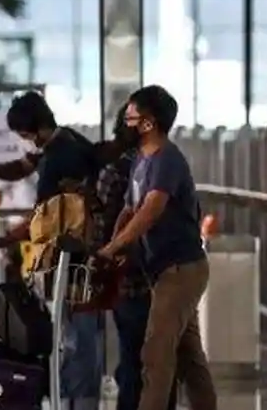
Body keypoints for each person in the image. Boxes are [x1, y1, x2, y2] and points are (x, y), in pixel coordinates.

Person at [0, 92, 103, 410]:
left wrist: (0, 240)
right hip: (80, 256)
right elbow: (23, 166)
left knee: (74, 340)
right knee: (75, 337)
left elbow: (41, 218)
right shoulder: (65, 140)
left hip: (72, 261)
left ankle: (75, 403)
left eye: (23, 134)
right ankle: (71, 398)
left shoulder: (59, 158)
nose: (24, 140)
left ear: (37, 129)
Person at [97, 85, 217, 410]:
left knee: (155, 354)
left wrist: (115, 246)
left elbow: (150, 210)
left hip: (180, 271)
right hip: (164, 271)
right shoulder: (141, 158)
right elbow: (129, 209)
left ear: (148, 122)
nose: (125, 121)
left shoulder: (167, 160)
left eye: (131, 116)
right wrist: (113, 247)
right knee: (189, 358)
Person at [92, 105, 177, 410]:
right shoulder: (161, 168)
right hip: (161, 280)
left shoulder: (114, 172)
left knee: (133, 361)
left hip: (127, 282)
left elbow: (100, 228)